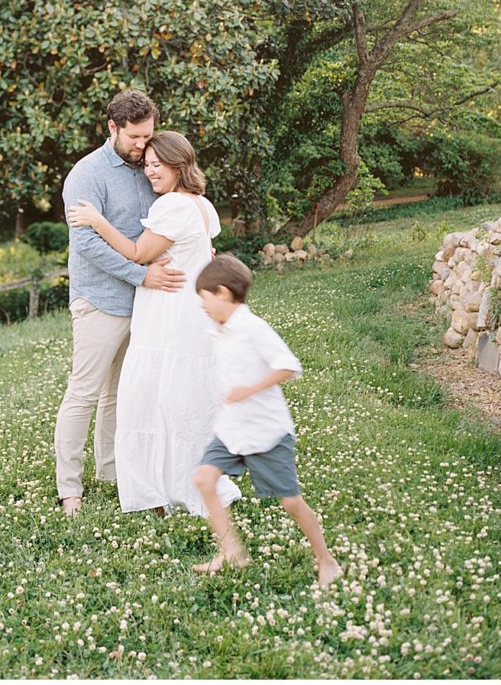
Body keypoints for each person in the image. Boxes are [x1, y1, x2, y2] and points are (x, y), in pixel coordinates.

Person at [68, 130, 240, 516]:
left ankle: (160, 486)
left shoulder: (172, 208)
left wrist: (96, 219)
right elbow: (205, 252)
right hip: (188, 311)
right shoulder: (202, 205)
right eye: (146, 165)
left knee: (148, 400)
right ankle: (182, 477)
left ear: (179, 165)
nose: (150, 173)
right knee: (179, 399)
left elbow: (136, 252)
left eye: (158, 165)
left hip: (168, 313)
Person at [55, 90, 186, 517]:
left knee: (123, 395)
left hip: (148, 305)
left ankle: (113, 473)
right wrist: (141, 274)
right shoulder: (86, 174)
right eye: (133, 136)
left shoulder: (151, 166)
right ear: (112, 128)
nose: (141, 144)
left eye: (147, 135)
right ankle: (69, 489)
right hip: (100, 299)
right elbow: (87, 244)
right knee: (84, 393)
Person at [190, 254, 342, 586]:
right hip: (232, 429)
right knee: (203, 478)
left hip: (266, 430)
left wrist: (250, 389)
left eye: (205, 299)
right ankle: (231, 551)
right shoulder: (220, 328)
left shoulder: (253, 328)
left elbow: (289, 366)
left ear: (223, 294)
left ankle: (326, 559)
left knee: (290, 501)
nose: (202, 307)